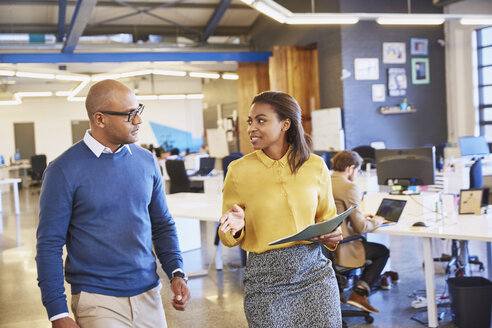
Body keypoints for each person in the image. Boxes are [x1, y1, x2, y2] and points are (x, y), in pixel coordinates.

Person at [36, 79, 190, 328]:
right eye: (130, 115)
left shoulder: (147, 162)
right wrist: (57, 312)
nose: (138, 121)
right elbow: (49, 245)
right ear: (100, 119)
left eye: (138, 111)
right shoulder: (62, 170)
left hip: (149, 295)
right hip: (98, 300)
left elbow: (162, 224)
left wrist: (176, 271)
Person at [218, 90, 343, 328]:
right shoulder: (238, 170)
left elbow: (329, 221)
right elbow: (227, 236)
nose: (252, 128)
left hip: (314, 273)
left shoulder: (315, 166)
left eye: (261, 120)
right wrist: (234, 228)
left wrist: (332, 235)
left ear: (285, 124)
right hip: (265, 280)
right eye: (250, 121)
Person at [330, 150, 390, 314]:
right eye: (358, 170)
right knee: (382, 252)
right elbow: (361, 228)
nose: (357, 174)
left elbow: (335, 212)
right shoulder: (349, 187)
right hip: (342, 247)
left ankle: (346, 292)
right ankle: (359, 294)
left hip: (324, 248)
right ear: (350, 168)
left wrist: (361, 215)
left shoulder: (325, 181)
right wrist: (379, 220)